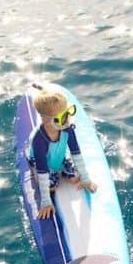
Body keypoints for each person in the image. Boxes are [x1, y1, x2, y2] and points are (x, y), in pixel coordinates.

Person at [28, 86, 98, 220]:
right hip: (43, 165)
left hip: (59, 159)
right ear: (45, 120)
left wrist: (85, 178)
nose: (67, 120)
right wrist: (46, 202)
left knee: (75, 179)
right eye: (62, 117)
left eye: (68, 113)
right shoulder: (39, 140)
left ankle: (61, 170)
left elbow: (76, 153)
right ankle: (34, 170)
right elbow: (43, 171)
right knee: (52, 187)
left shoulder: (67, 128)